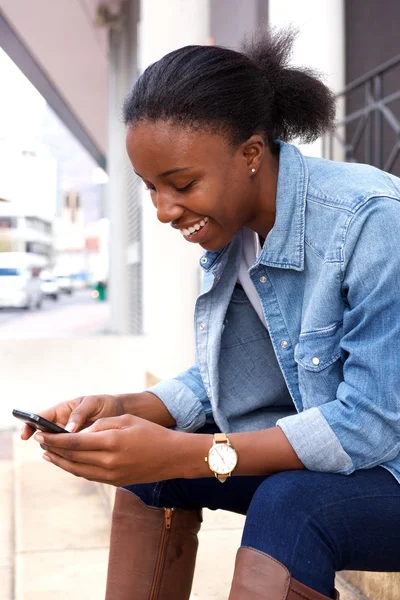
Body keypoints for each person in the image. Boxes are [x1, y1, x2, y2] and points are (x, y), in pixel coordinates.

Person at [22, 29, 400, 600]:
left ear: (250, 153)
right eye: (151, 188)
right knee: (151, 473)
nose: (164, 211)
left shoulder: (371, 221)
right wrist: (129, 408)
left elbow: (370, 425)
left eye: (181, 184)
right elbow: (242, 372)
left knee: (289, 506)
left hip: (387, 462)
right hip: (351, 458)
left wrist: (194, 452)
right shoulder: (233, 238)